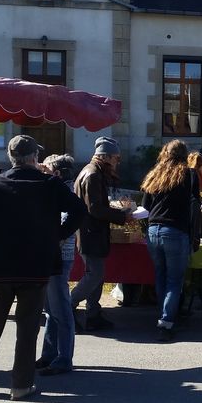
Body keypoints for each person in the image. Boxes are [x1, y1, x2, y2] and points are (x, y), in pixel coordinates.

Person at [0, 135, 85, 401]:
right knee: (28, 326)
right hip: (36, 266)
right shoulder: (51, 184)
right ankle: (21, 384)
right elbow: (79, 210)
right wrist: (58, 234)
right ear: (35, 158)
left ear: (10, 158)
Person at [140, 140, 201, 341]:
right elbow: (194, 207)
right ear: (185, 155)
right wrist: (195, 235)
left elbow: (145, 208)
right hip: (175, 230)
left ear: (165, 153)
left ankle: (164, 314)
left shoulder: (155, 174)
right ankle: (166, 322)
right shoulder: (189, 175)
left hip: (153, 230)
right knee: (175, 280)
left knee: (161, 275)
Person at [70, 136, 134, 331]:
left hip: (91, 231)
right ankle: (68, 306)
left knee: (96, 275)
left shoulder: (92, 172)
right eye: (116, 158)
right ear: (105, 157)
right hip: (91, 232)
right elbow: (95, 209)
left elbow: (96, 206)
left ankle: (93, 314)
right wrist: (123, 217)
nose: (117, 163)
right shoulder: (92, 175)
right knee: (94, 274)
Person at [37, 154, 79, 375]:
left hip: (60, 256)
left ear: (58, 173)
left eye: (48, 168)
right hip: (54, 255)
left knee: (60, 309)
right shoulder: (58, 187)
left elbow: (66, 219)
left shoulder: (65, 190)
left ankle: (64, 358)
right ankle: (50, 354)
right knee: (50, 310)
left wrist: (57, 238)